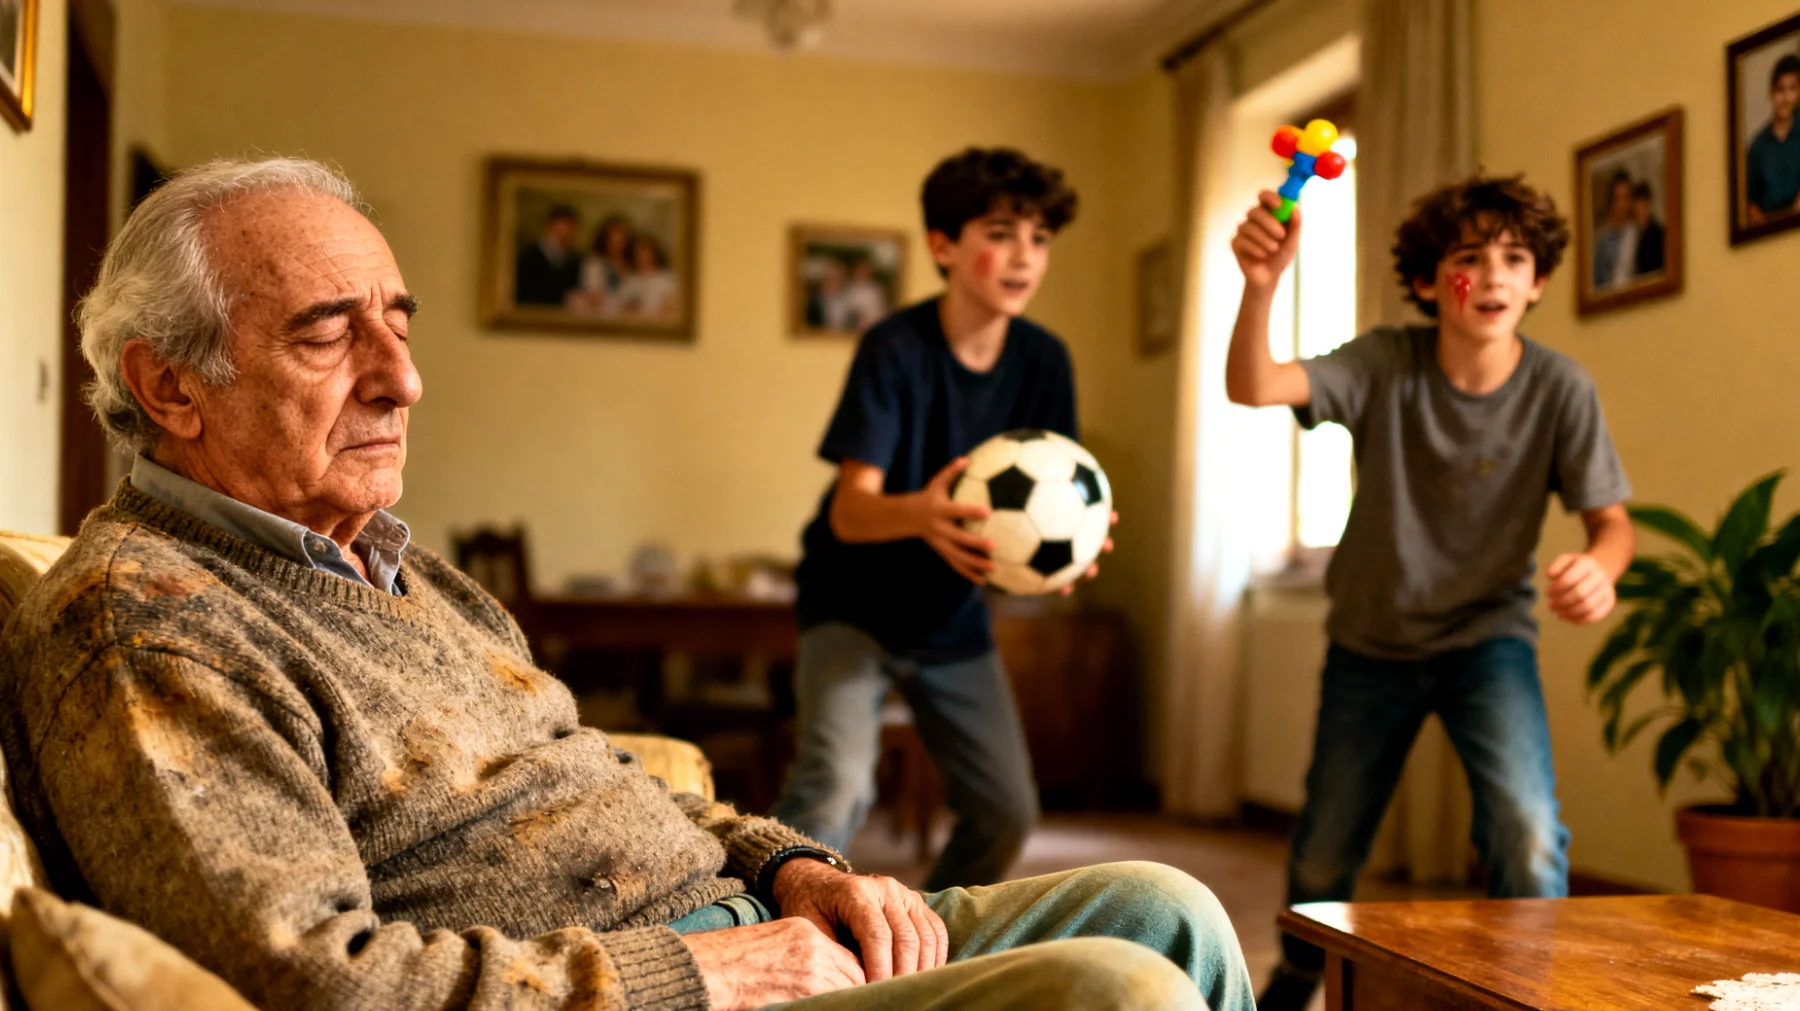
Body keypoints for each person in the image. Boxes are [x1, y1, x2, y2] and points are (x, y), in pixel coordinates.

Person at [0, 156, 1254, 1011]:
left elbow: (597, 772)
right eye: (330, 331)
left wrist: (796, 872)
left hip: (749, 930)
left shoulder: (408, 571)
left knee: (1165, 907)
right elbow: (320, 981)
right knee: (1121, 990)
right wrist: (704, 975)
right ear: (169, 385)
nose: (404, 378)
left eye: (400, 322)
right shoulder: (145, 626)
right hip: (668, 990)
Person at [1225, 175, 1635, 1011]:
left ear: (1538, 282)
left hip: (1489, 641)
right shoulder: (1384, 361)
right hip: (1369, 643)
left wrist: (1602, 566)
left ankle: (1524, 990)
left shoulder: (1562, 388)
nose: (1493, 275)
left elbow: (1613, 525)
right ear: (1425, 281)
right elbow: (1255, 385)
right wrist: (1261, 286)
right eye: (1469, 257)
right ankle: (1298, 972)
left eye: (1514, 258)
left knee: (1527, 833)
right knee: (1324, 849)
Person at [772, 147, 1115, 896]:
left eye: (1039, 238)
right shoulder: (894, 349)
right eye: (1000, 233)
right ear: (943, 246)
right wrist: (923, 514)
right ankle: (769, 929)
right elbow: (851, 511)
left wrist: (1073, 547)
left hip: (951, 617)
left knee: (1006, 812)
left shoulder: (1045, 361)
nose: (1024, 256)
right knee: (834, 791)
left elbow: (1062, 491)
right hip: (851, 607)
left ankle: (930, 934)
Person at [1746, 52, 1800, 224]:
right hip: (1769, 229)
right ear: (1771, 93)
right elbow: (1751, 202)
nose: (1786, 98)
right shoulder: (1757, 146)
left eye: (1792, 89)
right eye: (1780, 90)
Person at [514, 203, 582, 306]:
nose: (566, 230)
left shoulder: (575, 260)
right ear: (549, 225)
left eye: (570, 225)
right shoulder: (529, 256)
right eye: (562, 224)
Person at [614, 232, 680, 323]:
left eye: (646, 253)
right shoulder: (629, 280)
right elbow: (620, 307)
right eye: (639, 253)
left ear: (654, 254)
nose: (643, 257)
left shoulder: (666, 278)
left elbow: (671, 307)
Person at [1591, 171, 1638, 292]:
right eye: (1618, 199)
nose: (1623, 205)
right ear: (1612, 204)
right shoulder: (1602, 243)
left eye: (1626, 198)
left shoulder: (1639, 234)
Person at [837, 257, 890, 332]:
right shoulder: (848, 289)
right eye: (860, 269)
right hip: (849, 329)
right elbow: (843, 310)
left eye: (865, 269)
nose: (863, 272)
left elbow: (881, 311)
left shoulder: (877, 290)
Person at [1631, 181, 1665, 277]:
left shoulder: (1658, 234)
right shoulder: (1633, 235)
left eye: (1644, 207)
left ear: (1650, 206)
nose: (1641, 212)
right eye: (1638, 208)